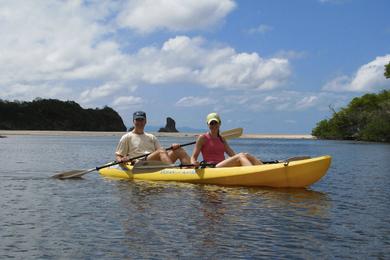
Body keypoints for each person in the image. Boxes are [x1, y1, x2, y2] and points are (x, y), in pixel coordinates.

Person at [115, 111, 191, 165]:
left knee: (178, 149)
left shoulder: (151, 137)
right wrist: (122, 160)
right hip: (140, 163)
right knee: (161, 151)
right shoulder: (126, 137)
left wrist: (173, 148)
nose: (140, 122)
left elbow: (162, 152)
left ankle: (190, 169)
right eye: (137, 120)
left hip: (154, 161)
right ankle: (173, 172)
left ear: (145, 121)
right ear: (133, 121)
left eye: (142, 120)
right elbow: (118, 155)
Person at [191, 112, 262, 167]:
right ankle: (252, 172)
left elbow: (232, 155)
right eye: (211, 123)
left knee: (245, 155)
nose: (214, 125)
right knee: (241, 156)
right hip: (212, 167)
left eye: (215, 123)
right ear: (208, 124)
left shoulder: (222, 139)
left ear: (220, 123)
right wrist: (194, 162)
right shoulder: (202, 138)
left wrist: (250, 159)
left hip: (222, 165)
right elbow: (193, 157)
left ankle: (263, 167)